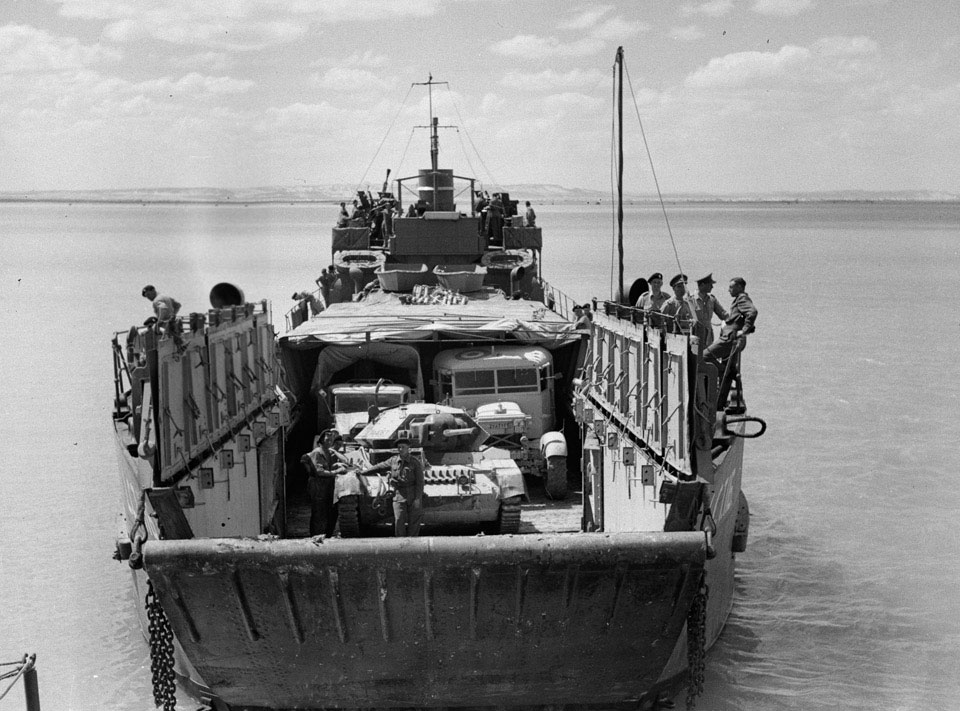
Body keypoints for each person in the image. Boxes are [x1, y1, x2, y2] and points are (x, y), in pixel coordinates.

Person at [359, 435, 425, 537]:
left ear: (408, 449)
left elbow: (420, 482)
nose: (401, 449)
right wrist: (363, 472)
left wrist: (417, 498)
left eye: (403, 447)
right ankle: (400, 544)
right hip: (399, 494)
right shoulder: (393, 460)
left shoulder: (415, 462)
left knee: (414, 521)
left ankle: (413, 544)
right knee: (399, 520)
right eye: (399, 447)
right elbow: (379, 467)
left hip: (412, 494)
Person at [300, 429, 348, 537]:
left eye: (331, 439)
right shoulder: (318, 452)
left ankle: (327, 535)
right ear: (321, 440)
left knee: (329, 512)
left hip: (327, 486)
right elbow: (320, 472)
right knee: (319, 513)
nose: (329, 441)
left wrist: (335, 465)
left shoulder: (328, 452)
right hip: (318, 487)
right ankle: (317, 536)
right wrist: (336, 471)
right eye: (327, 438)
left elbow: (345, 461)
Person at [704, 277, 758, 365]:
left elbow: (752, 312)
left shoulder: (742, 298)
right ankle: (730, 373)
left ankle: (722, 372)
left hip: (728, 339)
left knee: (703, 357)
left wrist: (744, 331)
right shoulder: (739, 299)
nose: (729, 290)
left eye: (731, 287)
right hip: (730, 337)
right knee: (728, 364)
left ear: (740, 287)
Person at [693, 273, 729, 347]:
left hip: (708, 339)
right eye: (710, 284)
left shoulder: (712, 299)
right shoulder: (690, 300)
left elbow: (723, 314)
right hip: (695, 338)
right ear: (702, 285)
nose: (712, 287)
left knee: (707, 357)